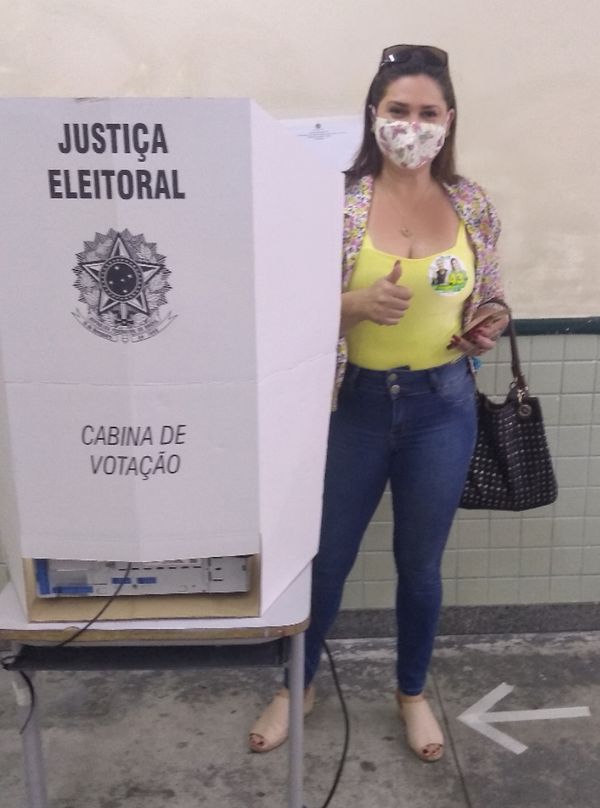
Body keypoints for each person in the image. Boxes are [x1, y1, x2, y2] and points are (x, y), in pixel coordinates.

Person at [249, 43, 508, 763]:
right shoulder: (332, 197)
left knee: (420, 566)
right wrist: (351, 304)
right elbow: (279, 308)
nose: (413, 126)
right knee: (326, 561)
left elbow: (487, 290)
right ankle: (295, 683)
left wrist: (491, 319)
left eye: (428, 113)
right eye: (399, 110)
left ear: (449, 120)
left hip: (442, 408)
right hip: (352, 408)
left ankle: (412, 693)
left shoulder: (472, 203)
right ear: (374, 114)